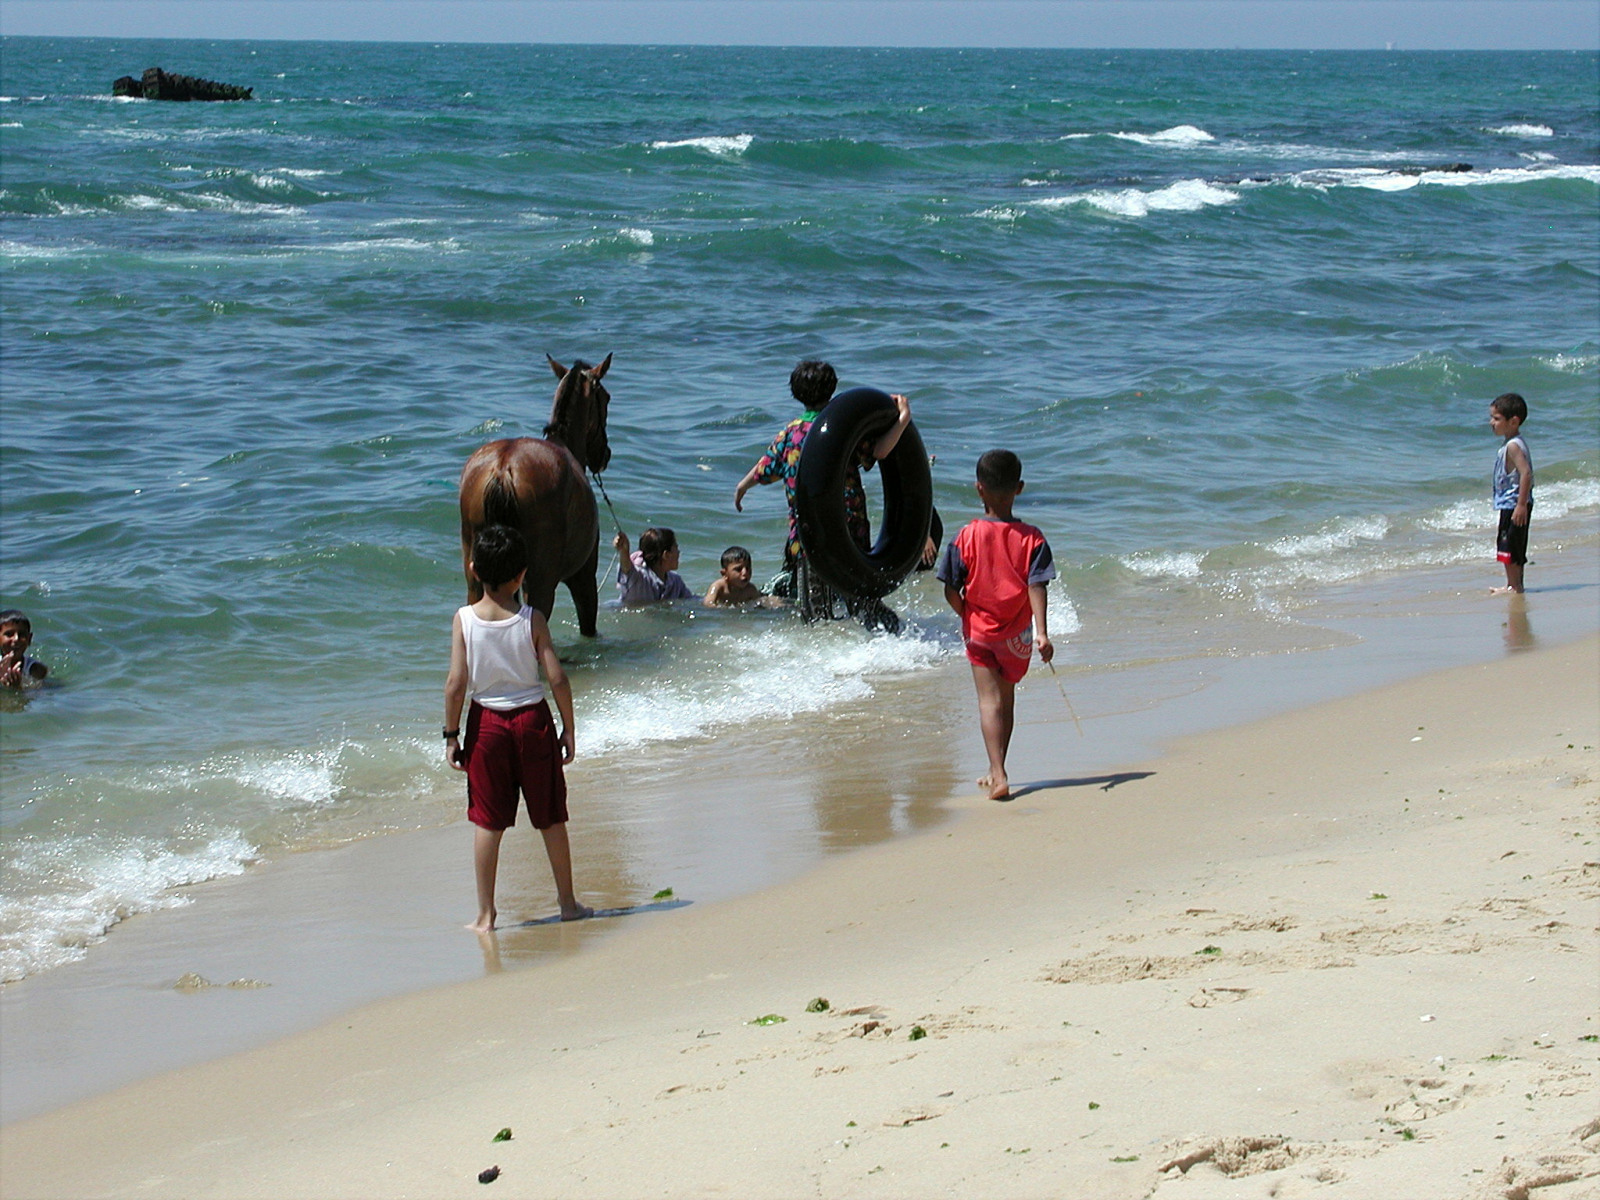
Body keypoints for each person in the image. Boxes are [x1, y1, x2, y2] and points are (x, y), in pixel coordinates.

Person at [444, 525, 591, 932]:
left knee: (488, 822)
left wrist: (451, 735)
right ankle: (566, 903)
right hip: (533, 722)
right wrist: (569, 728)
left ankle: (486, 914)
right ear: (522, 575)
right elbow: (557, 678)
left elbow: (456, 684)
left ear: (473, 569)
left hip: (486, 726)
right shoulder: (532, 619)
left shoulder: (464, 620)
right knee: (550, 817)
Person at [936, 450, 1056, 801]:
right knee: (1006, 701)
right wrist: (1042, 633)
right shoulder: (1032, 538)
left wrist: (966, 615)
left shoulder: (966, 536)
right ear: (1019, 488)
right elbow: (1037, 586)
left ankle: (997, 772)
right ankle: (998, 767)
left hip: (979, 634)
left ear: (978, 489)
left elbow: (949, 588)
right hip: (1017, 636)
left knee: (988, 704)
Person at [1489, 392, 1534, 594]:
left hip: (1514, 504)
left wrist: (1521, 505)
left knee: (1511, 546)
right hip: (1511, 503)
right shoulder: (1511, 443)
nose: (1492, 423)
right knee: (1511, 545)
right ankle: (1515, 584)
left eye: (1497, 419)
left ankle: (1514, 586)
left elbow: (1526, 474)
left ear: (1514, 421)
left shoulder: (1514, 446)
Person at [613, 527, 693, 606]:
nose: (678, 552)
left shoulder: (676, 582)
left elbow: (692, 602)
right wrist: (624, 551)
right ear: (666, 555)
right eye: (676, 547)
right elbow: (626, 569)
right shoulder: (640, 577)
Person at [703, 545, 776, 607]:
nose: (745, 573)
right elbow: (708, 603)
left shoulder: (750, 589)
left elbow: (761, 603)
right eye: (738, 569)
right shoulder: (719, 587)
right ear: (724, 574)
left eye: (748, 568)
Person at [0, 610, 49, 689]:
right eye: (9, 634)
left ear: (29, 639)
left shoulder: (36, 669)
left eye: (22, 634)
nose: (16, 639)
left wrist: (17, 687)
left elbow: (39, 696)